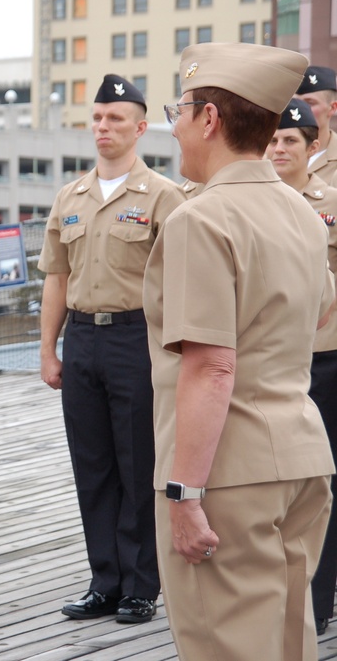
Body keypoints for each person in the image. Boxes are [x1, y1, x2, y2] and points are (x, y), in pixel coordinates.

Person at [145, 43, 335, 660]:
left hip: (226, 470)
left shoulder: (202, 219)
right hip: (300, 454)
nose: (174, 126)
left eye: (181, 110)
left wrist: (184, 493)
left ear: (210, 120)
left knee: (226, 645)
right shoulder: (303, 214)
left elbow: (211, 365)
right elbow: (319, 311)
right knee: (288, 640)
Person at [38, 75, 185, 624]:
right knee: (92, 465)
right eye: (97, 119)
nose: (104, 128)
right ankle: (105, 580)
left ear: (141, 128)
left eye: (116, 119)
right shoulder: (69, 197)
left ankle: (140, 584)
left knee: (137, 463)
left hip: (135, 341)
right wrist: (48, 350)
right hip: (82, 341)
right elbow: (56, 277)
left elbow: (177, 284)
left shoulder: (165, 197)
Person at [267, 97, 337, 636]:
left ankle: (319, 596)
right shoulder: (249, 205)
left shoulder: (330, 203)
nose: (278, 148)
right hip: (267, 365)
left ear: (313, 147)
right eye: (271, 139)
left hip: (326, 358)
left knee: (322, 481)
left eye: (290, 140)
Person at [296, 65, 337, 184]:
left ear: (332, 108)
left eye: (309, 103)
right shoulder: (271, 156)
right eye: (295, 102)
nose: (299, 110)